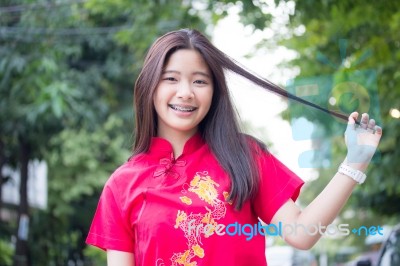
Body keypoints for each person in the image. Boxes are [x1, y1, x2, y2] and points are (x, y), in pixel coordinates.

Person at [86, 29, 382, 266]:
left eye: (199, 81)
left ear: (214, 92)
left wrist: (355, 162)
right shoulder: (122, 184)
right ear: (150, 86)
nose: (186, 92)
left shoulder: (245, 157)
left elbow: (302, 234)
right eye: (171, 79)